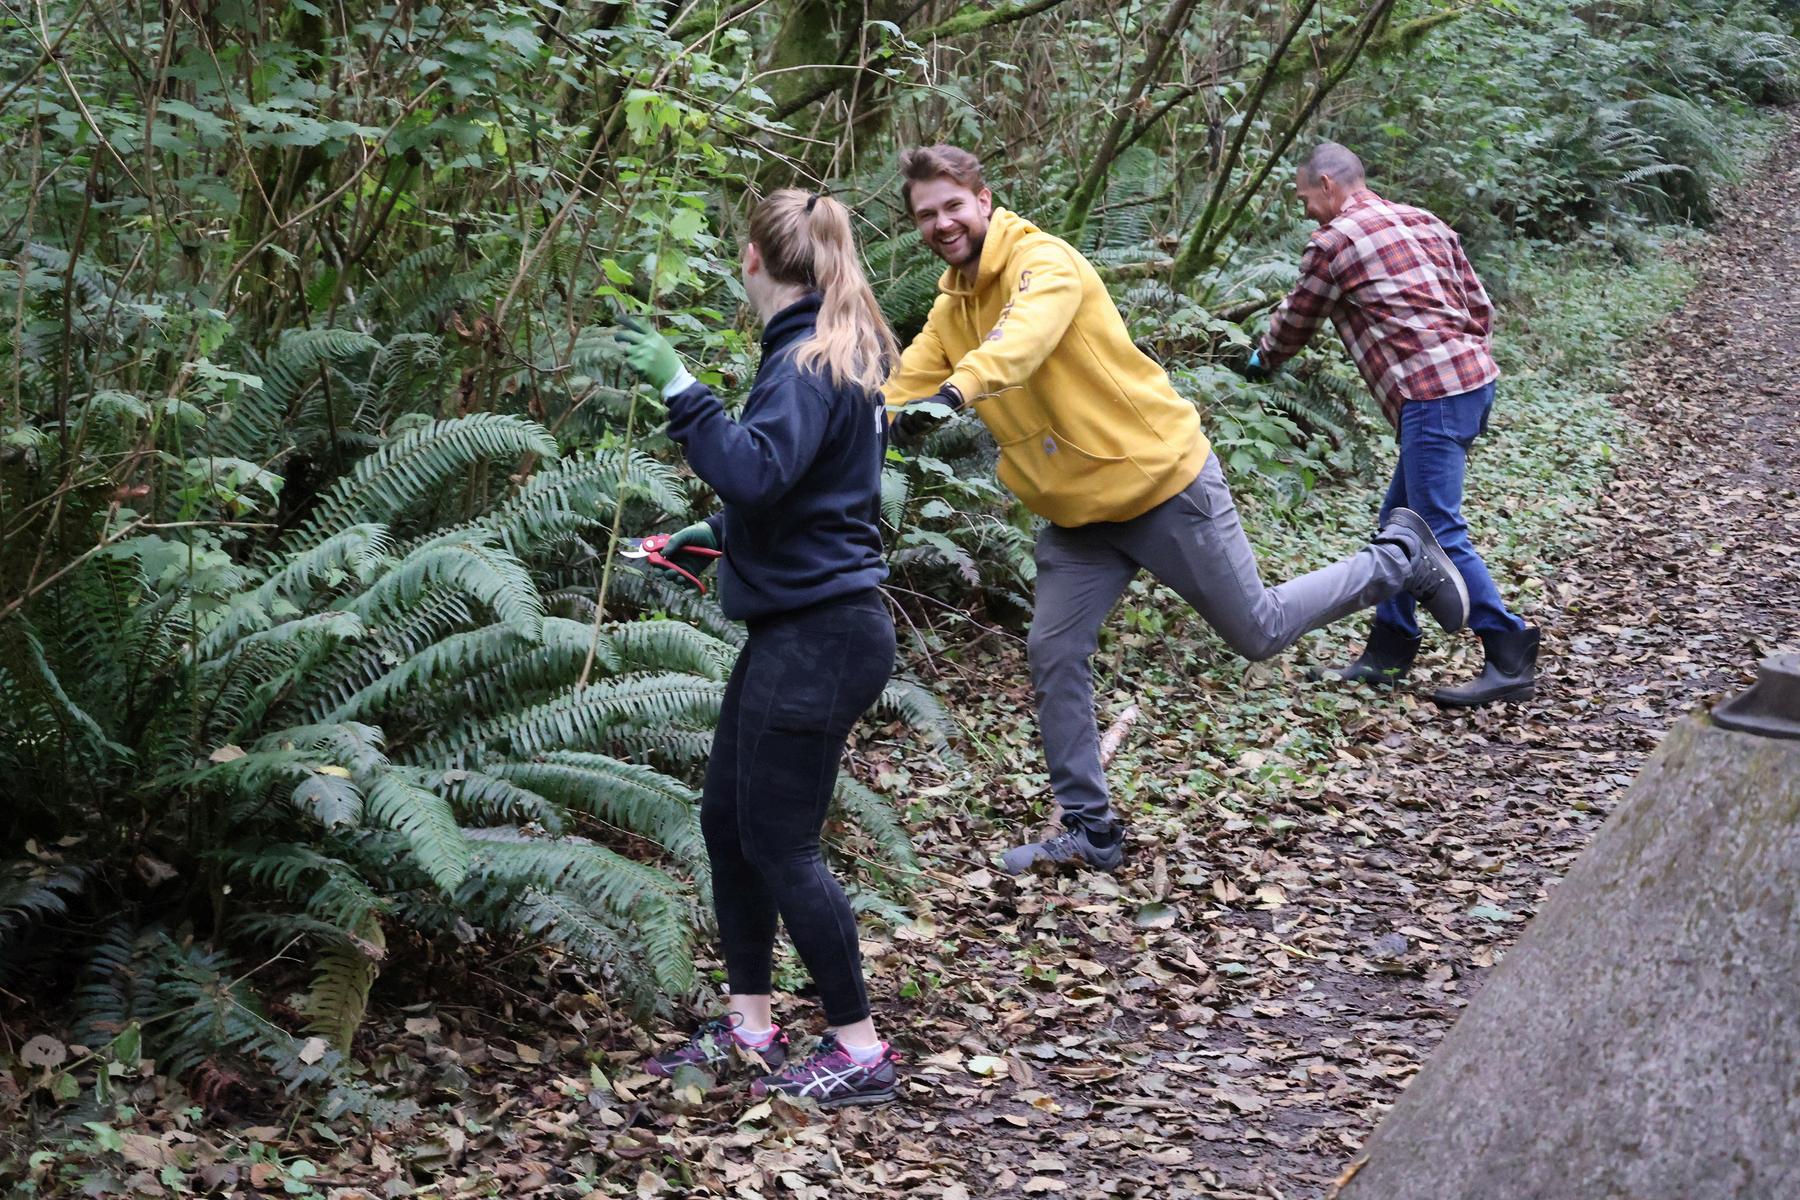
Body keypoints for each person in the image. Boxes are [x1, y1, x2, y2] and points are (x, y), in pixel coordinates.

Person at [882, 145, 1470, 877]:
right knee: (1053, 652)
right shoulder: (951, 310)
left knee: (1259, 630)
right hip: (1077, 516)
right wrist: (866, 424)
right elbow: (903, 384)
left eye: (952, 206)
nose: (942, 223)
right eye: (926, 214)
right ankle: (1091, 830)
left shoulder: (1044, 263)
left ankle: (1399, 559)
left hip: (1161, 484)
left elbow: (1022, 340)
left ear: (984, 200)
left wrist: (955, 393)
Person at [611, 188, 903, 1109]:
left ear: (751, 259)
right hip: (803, 628)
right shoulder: (824, 351)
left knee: (781, 843)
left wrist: (678, 385)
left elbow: (755, 470)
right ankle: (750, 1024)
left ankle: (859, 1049)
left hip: (823, 635)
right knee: (730, 826)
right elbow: (810, 496)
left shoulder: (808, 360)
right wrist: (708, 537)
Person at [1247, 143, 1538, 706]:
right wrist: (1459, 357)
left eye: (1305, 197)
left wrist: (1261, 358)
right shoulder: (1424, 221)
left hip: (1432, 395)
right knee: (1399, 525)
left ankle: (1509, 648)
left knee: (1437, 531)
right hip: (1474, 380)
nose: (1305, 209)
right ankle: (1389, 650)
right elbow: (1479, 307)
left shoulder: (1334, 243)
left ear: (1328, 184)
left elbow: (1297, 320)